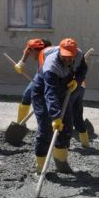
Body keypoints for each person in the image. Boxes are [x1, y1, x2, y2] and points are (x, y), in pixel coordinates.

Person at [31, 38, 87, 174]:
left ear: (75, 54)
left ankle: (61, 161)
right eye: (64, 57)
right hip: (43, 93)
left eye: (70, 57)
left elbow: (83, 69)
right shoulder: (51, 66)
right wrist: (55, 117)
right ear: (60, 53)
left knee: (67, 126)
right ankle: (40, 167)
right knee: (45, 130)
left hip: (63, 92)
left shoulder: (79, 55)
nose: (67, 60)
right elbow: (50, 94)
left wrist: (77, 81)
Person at [13, 38, 52, 123]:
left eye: (32, 52)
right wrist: (21, 63)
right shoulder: (37, 48)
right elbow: (28, 50)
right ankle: (20, 124)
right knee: (27, 96)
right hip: (40, 75)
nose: (30, 54)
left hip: (51, 77)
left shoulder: (49, 56)